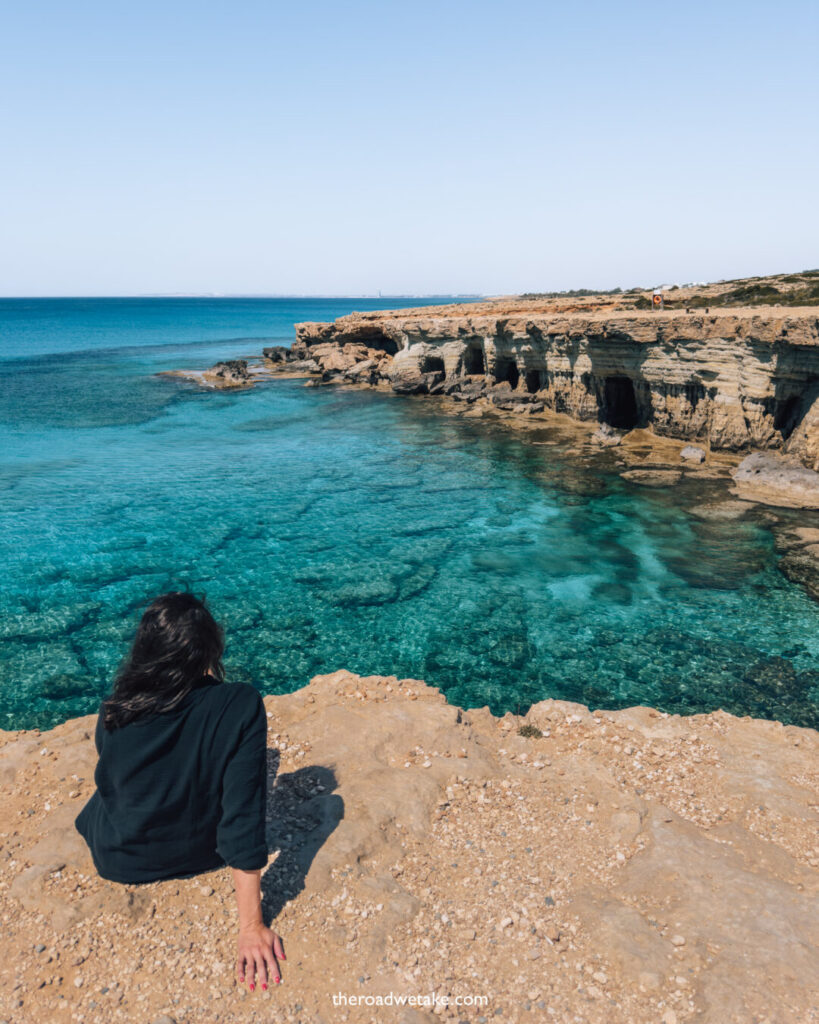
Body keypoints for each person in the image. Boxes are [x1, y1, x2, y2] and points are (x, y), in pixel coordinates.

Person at [74, 591, 285, 992]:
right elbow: (242, 814)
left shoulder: (115, 707)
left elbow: (119, 776)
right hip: (196, 851)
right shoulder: (238, 704)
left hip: (118, 855)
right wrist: (251, 926)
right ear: (208, 649)